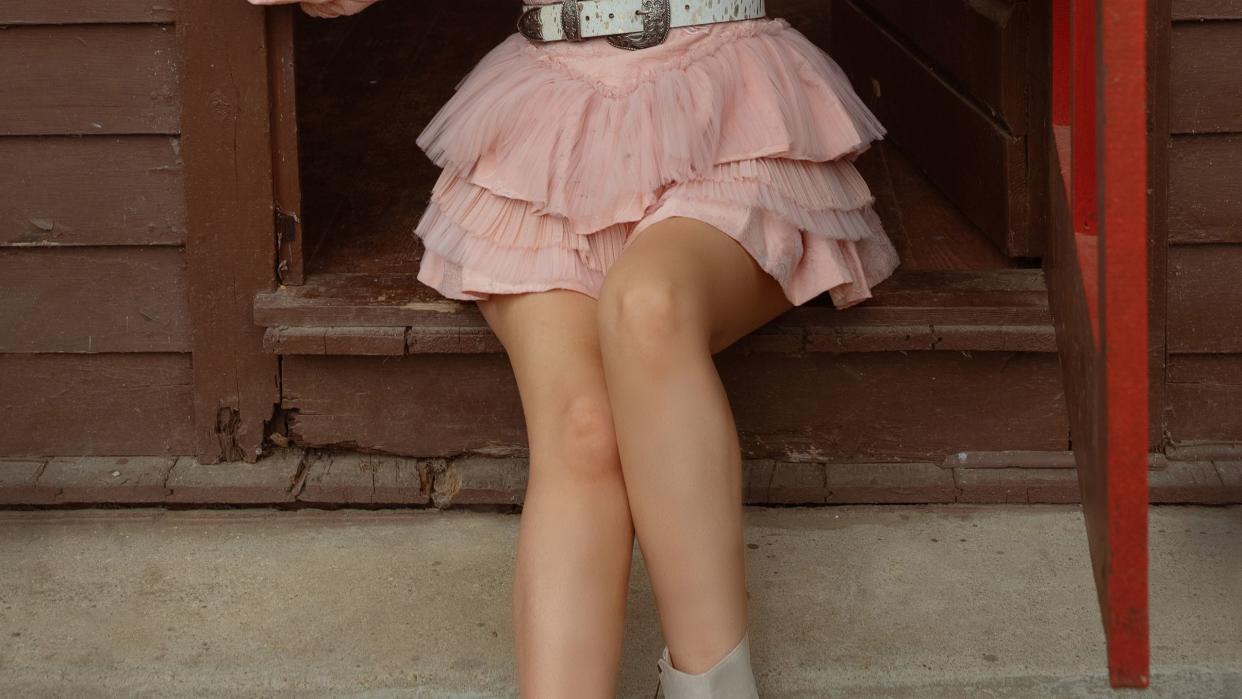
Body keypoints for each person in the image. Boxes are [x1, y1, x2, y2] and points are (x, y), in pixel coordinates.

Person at [249, 0, 901, 695]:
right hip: (548, 127)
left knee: (648, 307)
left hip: (727, 105)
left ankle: (714, 687)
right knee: (583, 428)